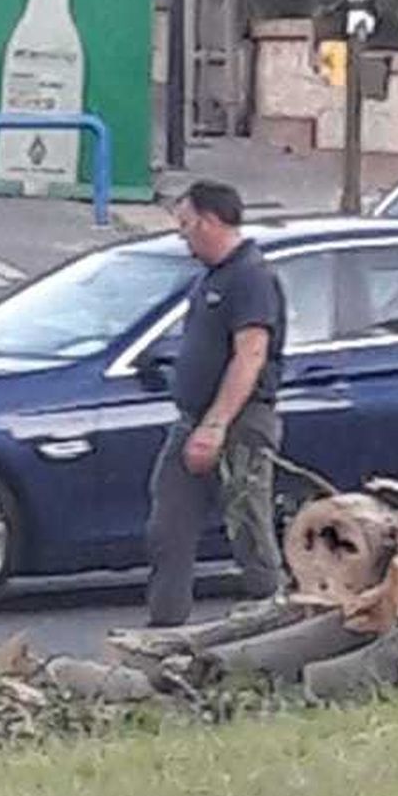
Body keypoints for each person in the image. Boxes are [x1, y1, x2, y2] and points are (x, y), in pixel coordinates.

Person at [146, 179, 286, 630]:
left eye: (186, 225)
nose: (182, 235)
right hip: (194, 419)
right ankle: (166, 626)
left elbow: (250, 355)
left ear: (209, 222)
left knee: (248, 525)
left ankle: (276, 620)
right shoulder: (212, 277)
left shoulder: (251, 277)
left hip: (237, 423)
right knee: (168, 524)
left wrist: (216, 425)